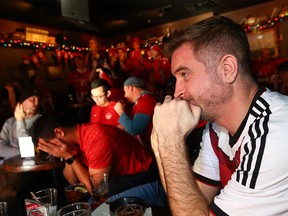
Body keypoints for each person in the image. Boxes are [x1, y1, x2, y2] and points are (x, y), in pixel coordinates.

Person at [151, 15, 288, 216]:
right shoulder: (215, 128)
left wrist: (170, 143)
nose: (177, 91)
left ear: (227, 69)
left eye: (185, 74)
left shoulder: (274, 135)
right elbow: (191, 200)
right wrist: (161, 144)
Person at [30, 115, 167, 207]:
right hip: (117, 178)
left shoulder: (97, 139)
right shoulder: (74, 142)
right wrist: (67, 155)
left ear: (59, 133)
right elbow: (71, 181)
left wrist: (69, 156)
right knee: (86, 205)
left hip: (145, 175)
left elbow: (97, 193)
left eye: (48, 145)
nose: (49, 151)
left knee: (95, 206)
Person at [114, 76, 158, 148]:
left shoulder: (145, 100)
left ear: (131, 87)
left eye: (125, 91)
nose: (124, 96)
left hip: (153, 148)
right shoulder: (141, 101)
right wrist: (125, 127)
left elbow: (134, 129)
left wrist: (120, 112)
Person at [0, 87, 41, 159]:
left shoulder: (42, 121)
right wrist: (22, 153)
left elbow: (29, 153)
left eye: (38, 100)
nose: (37, 103)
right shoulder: (10, 122)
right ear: (21, 103)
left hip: (33, 167)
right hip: (9, 166)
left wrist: (20, 121)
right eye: (32, 100)